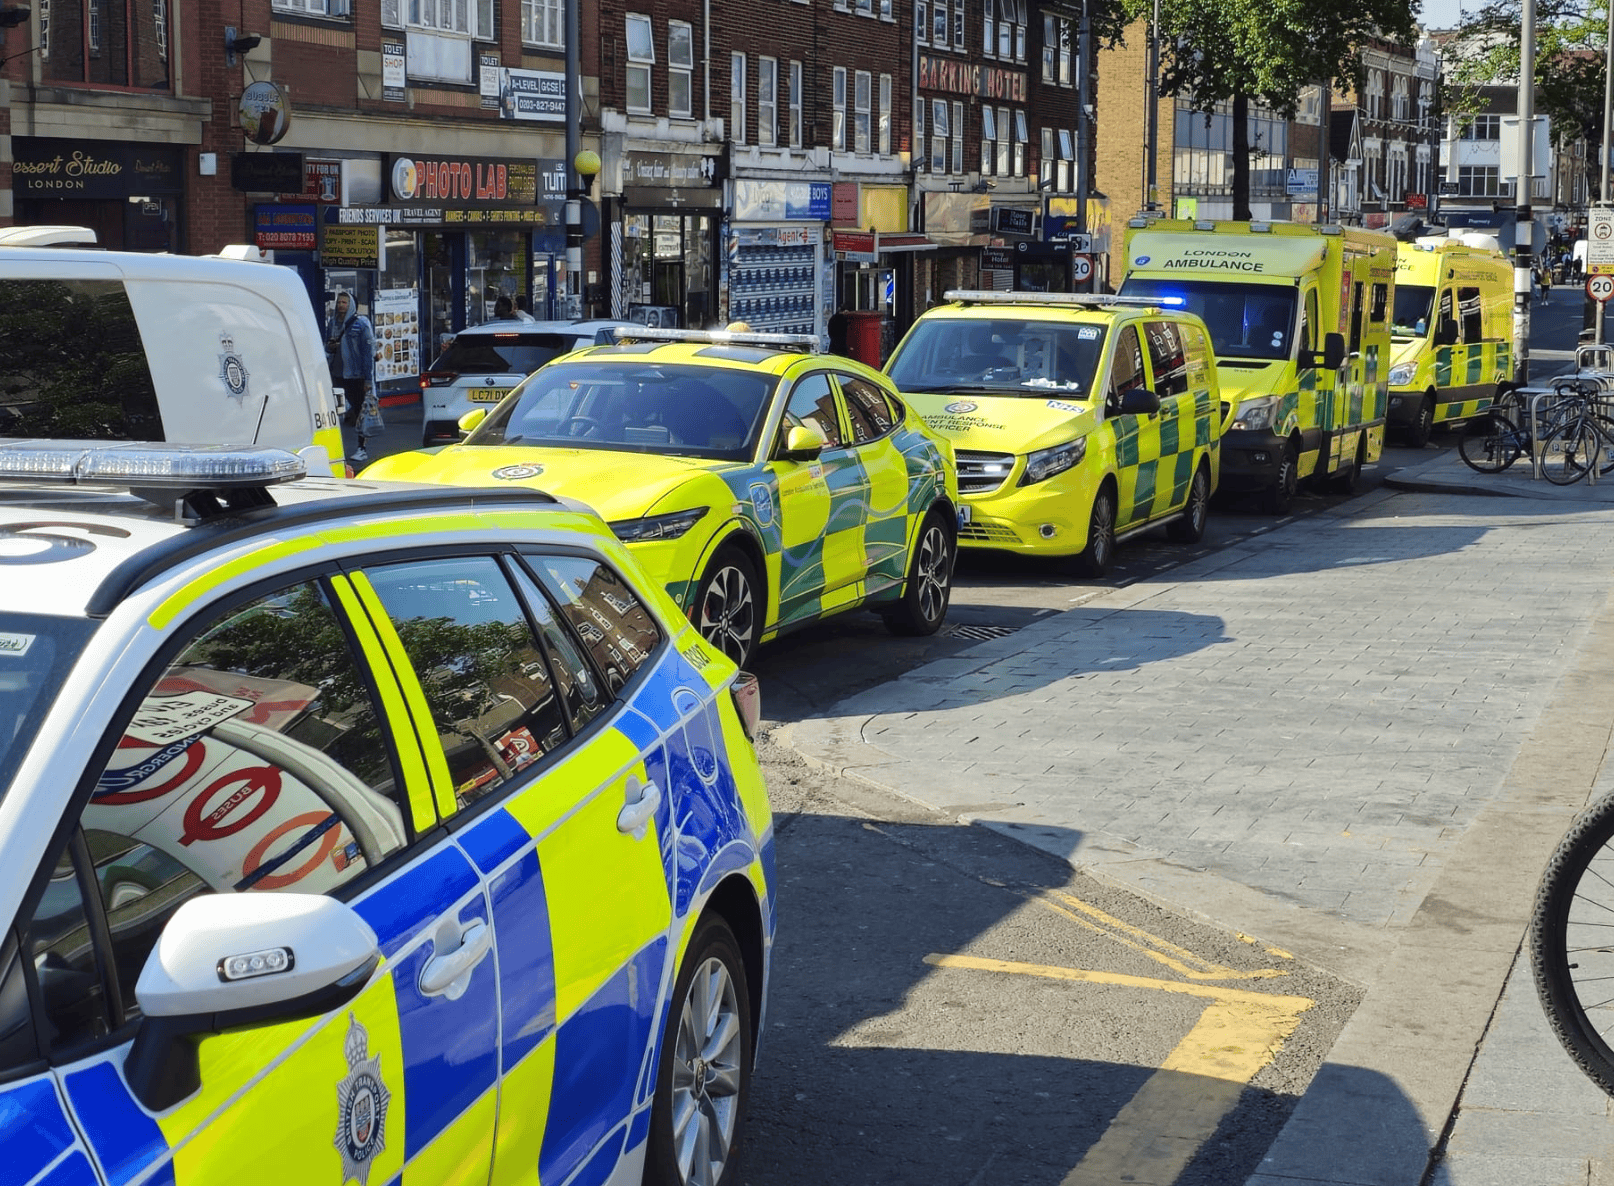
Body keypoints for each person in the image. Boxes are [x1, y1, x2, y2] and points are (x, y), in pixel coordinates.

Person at [328, 290, 376, 462]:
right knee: (336, 412)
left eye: (344, 302)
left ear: (351, 305)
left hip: (356, 375)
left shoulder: (361, 324)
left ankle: (361, 448)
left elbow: (367, 352)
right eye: (339, 302)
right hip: (337, 374)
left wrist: (368, 379)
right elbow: (328, 346)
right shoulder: (332, 323)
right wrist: (331, 347)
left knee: (359, 412)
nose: (341, 305)